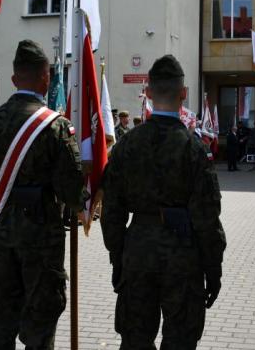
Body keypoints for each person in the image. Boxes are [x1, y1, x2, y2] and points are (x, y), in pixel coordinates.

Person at [101, 55, 226, 349]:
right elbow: (207, 219)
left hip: (138, 250)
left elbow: (112, 213)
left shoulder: (126, 146)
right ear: (183, 93)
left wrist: (118, 258)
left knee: (135, 340)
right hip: (183, 255)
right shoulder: (193, 149)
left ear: (147, 92)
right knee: (180, 340)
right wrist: (213, 269)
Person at [0, 40, 85, 348]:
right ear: (46, 79)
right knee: (40, 327)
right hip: (40, 238)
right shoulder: (55, 126)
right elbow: (72, 191)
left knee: (1, 324)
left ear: (13, 79)